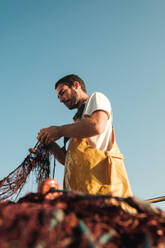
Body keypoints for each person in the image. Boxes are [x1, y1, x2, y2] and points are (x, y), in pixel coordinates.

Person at [37, 74, 133, 198]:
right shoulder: (77, 124)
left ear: (76, 85)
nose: (60, 99)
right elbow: (67, 160)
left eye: (62, 92)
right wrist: (50, 144)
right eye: (58, 97)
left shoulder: (96, 98)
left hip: (104, 191)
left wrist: (59, 130)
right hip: (80, 194)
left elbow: (96, 125)